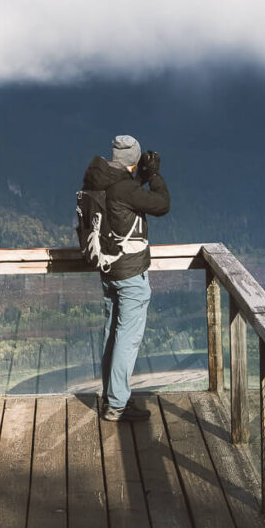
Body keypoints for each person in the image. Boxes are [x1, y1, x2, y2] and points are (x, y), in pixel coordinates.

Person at [81, 134, 171, 422]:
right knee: (127, 339)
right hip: (131, 273)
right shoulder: (124, 188)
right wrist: (154, 175)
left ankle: (111, 396)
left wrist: (138, 177)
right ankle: (118, 405)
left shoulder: (99, 181)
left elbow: (123, 201)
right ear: (134, 160)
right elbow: (161, 205)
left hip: (108, 271)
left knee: (112, 335)